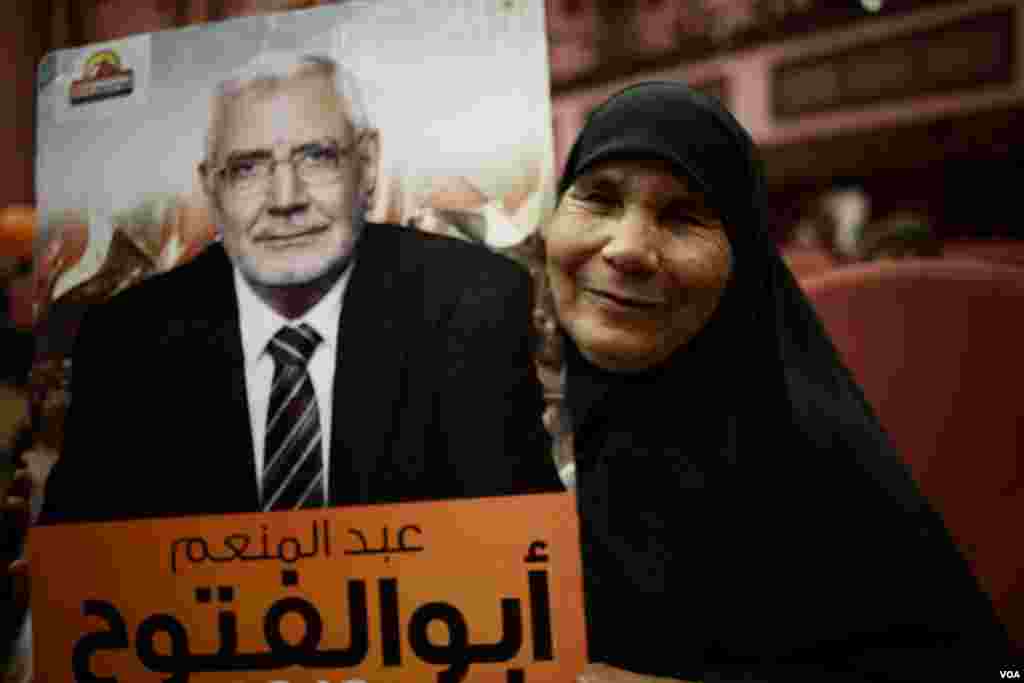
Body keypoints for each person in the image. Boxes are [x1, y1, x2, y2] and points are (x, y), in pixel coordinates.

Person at [2, 53, 560, 680]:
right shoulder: (128, 340)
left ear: (367, 164)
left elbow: (521, 562)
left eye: (316, 157)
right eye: (247, 169)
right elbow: (86, 582)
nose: (286, 200)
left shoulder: (473, 304)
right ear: (211, 188)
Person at [543, 82, 1010, 683]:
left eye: (683, 216)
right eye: (599, 198)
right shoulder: (502, 428)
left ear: (742, 262)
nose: (628, 249)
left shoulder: (813, 464)